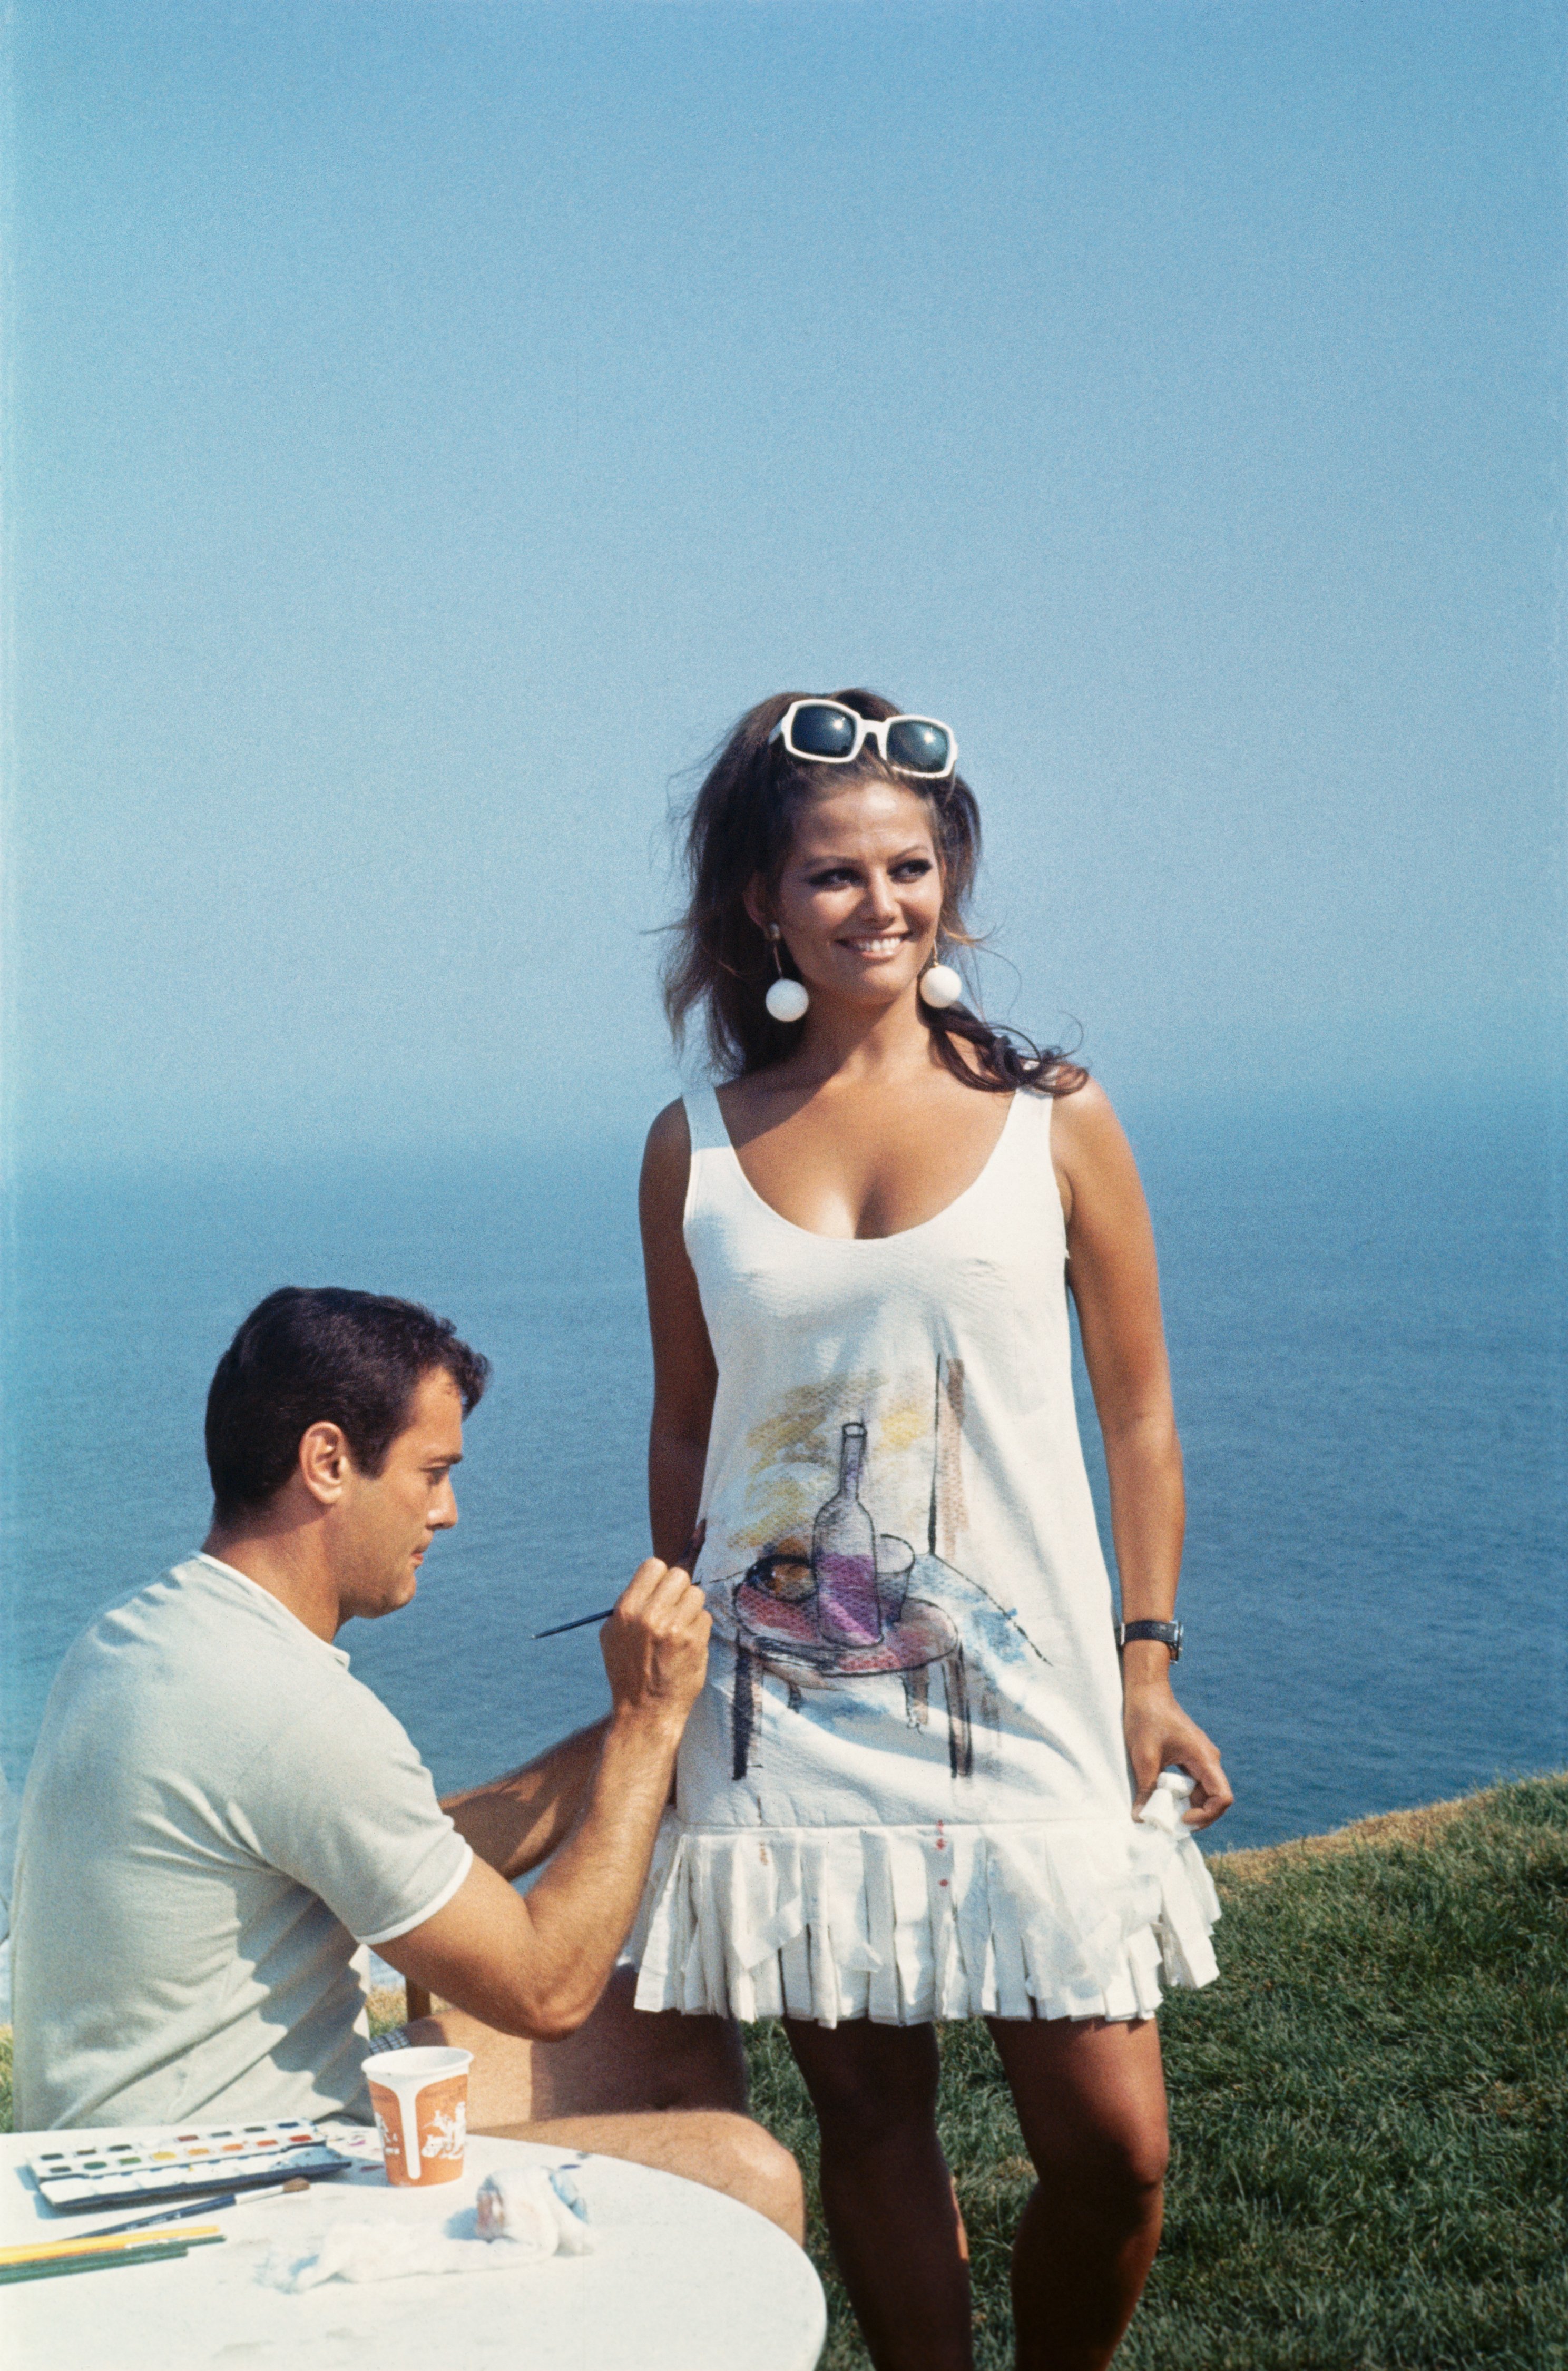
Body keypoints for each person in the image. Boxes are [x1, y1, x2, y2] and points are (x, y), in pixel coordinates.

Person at [629, 691, 1234, 2367]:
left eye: (911, 866)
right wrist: (679, 1651)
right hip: (783, 1702)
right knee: (871, 2117)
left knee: (1115, 2147)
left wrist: (1149, 1656)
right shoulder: (693, 1150)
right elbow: (692, 1421)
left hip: (1020, 1688)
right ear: (764, 896)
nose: (878, 903)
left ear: (951, 885)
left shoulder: (1061, 1118)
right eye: (835, 874)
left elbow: (1142, 1414)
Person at [9, 1285, 801, 2239]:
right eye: (432, 1473)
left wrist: (642, 1730)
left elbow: (395, 1846)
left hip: (105, 2171)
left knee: (664, 2032)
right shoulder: (291, 1709)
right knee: (745, 2176)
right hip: (232, 2210)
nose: (449, 1511)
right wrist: (643, 1727)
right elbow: (546, 1987)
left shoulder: (142, 1637)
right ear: (329, 1461)